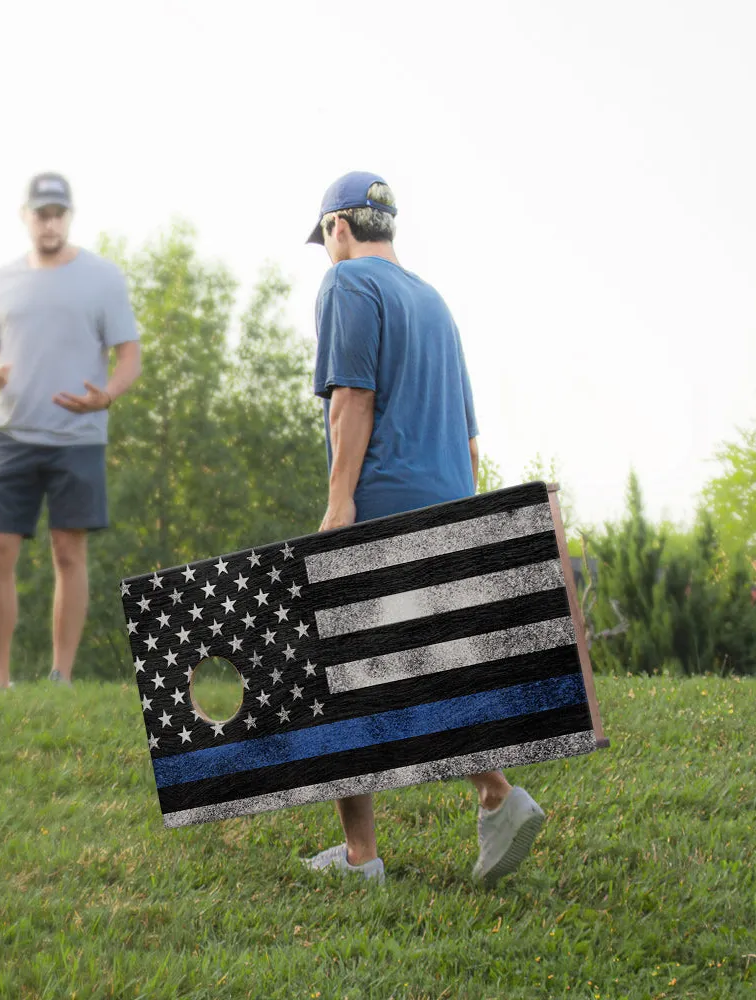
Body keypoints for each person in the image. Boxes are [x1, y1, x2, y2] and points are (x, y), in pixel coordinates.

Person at [301, 171, 545, 886]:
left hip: (381, 494)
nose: (324, 249)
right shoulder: (436, 304)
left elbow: (353, 397)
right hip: (449, 494)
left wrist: (340, 501)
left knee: (341, 677)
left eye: (322, 236)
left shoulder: (348, 284)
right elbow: (470, 438)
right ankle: (498, 795)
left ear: (339, 227)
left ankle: (361, 858)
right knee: (424, 666)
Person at [0, 172, 142, 689]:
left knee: (69, 551)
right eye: (41, 213)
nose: (49, 222)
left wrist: (107, 395)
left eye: (57, 213)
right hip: (11, 435)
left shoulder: (103, 278)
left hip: (78, 436)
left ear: (69, 216)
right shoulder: (0, 280)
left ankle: (60, 676)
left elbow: (129, 354)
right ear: (25, 216)